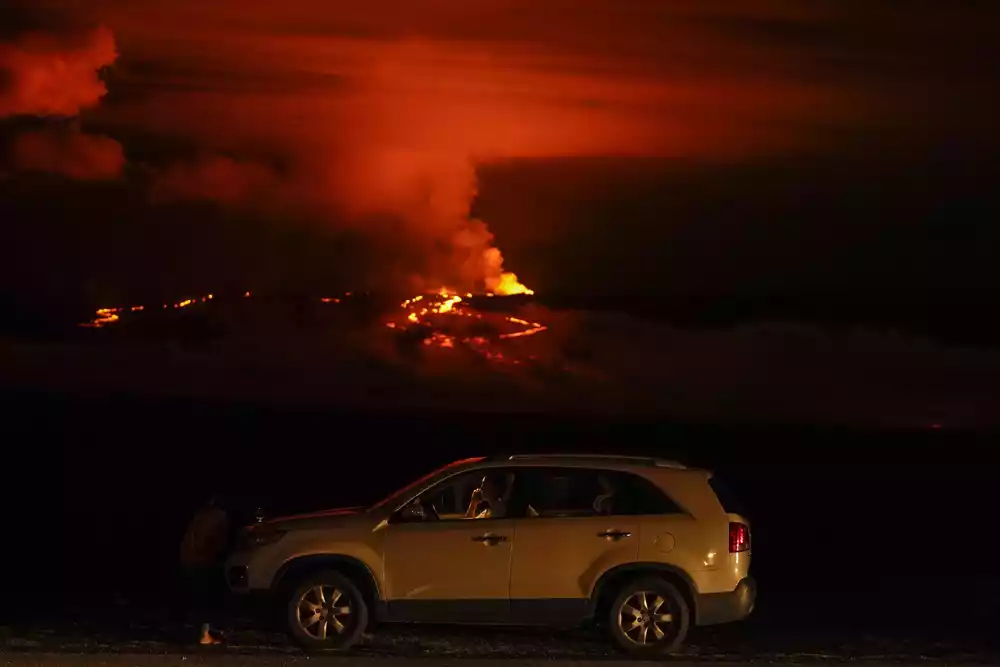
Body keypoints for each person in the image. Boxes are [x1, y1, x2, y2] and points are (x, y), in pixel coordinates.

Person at [179, 497, 231, 645]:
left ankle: (203, 631)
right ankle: (204, 634)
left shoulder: (200, 515)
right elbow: (215, 540)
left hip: (191, 559)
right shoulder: (218, 516)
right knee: (205, 597)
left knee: (199, 596)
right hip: (203, 560)